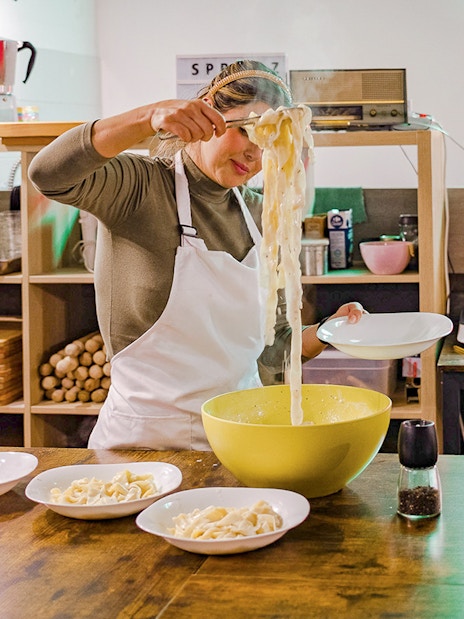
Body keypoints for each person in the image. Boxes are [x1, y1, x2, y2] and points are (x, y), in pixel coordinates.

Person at [29, 59, 364, 451]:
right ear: (206, 113)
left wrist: (329, 331)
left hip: (239, 441)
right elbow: (48, 173)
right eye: (244, 131)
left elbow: (270, 352)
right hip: (143, 450)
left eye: (270, 141)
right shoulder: (141, 189)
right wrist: (147, 116)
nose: (255, 155)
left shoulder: (260, 214)